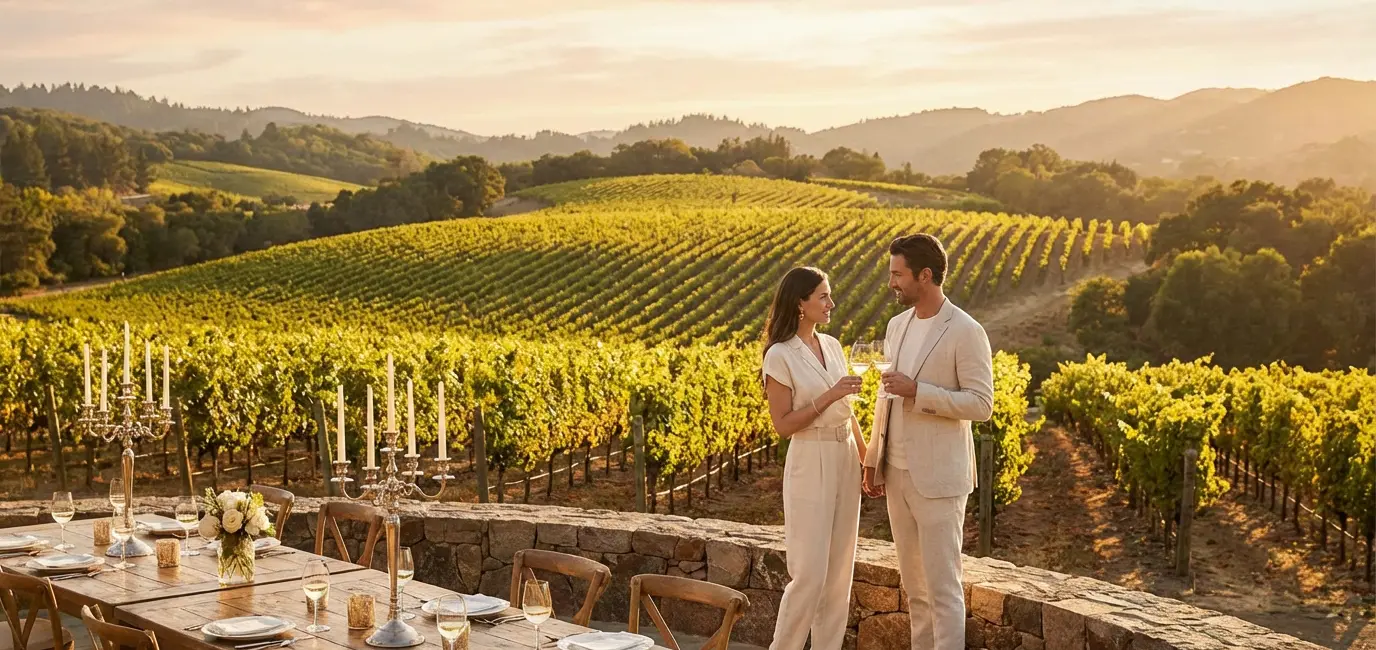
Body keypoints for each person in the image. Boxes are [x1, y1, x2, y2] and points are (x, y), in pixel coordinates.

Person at [862, 234, 993, 650]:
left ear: (925, 275)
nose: (891, 284)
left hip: (938, 479)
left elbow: (980, 404)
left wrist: (919, 390)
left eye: (898, 275)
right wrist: (873, 458)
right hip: (896, 474)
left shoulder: (966, 330)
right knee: (914, 589)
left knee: (943, 589)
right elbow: (887, 395)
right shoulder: (896, 326)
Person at [760, 266, 867, 650]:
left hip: (845, 456)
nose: (831, 303)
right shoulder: (779, 355)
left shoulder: (834, 346)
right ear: (800, 303)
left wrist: (866, 458)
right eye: (822, 296)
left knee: (840, 575)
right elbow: (784, 425)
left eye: (829, 294)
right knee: (809, 574)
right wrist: (831, 394)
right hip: (811, 457)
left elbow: (849, 410)